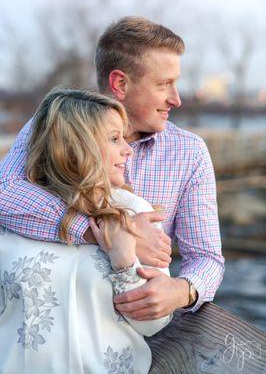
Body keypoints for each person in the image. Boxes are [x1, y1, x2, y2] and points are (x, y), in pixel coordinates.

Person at [0, 16, 224, 320]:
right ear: (120, 83)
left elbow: (207, 258)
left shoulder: (190, 153)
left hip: (136, 334)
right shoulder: (55, 127)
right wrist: (109, 233)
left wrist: (185, 289)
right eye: (164, 84)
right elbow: (5, 194)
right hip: (49, 320)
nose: (177, 99)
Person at [0, 88, 172, 373]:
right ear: (76, 145)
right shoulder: (13, 214)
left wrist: (124, 262)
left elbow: (153, 324)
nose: (128, 149)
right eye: (114, 139)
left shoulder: (134, 212)